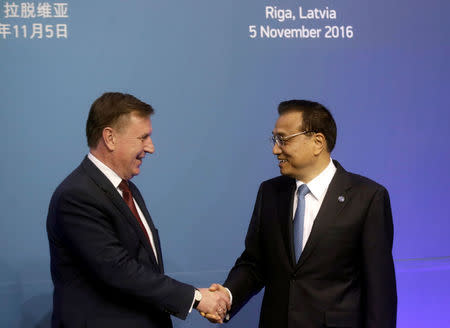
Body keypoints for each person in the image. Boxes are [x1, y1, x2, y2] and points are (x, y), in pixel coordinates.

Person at [207, 100, 397, 327]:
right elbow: (255, 264)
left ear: (317, 142)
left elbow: (380, 292)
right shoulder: (270, 192)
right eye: (274, 139)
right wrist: (227, 296)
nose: (275, 149)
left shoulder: (367, 198)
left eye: (283, 139)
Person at [46, 92, 229, 328]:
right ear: (110, 138)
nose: (150, 148)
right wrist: (197, 298)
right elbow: (118, 270)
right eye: (143, 138)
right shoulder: (77, 195)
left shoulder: (127, 190)